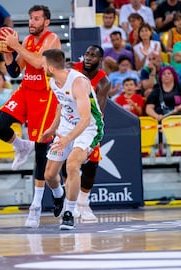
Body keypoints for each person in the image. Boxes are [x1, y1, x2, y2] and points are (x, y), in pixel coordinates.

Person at [0, 5, 61, 228]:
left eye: (37, 19)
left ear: (46, 22)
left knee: (41, 151)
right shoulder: (28, 41)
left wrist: (15, 45)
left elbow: (40, 63)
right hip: (25, 90)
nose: (32, 22)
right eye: (30, 18)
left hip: (45, 95)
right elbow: (14, 72)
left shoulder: (52, 38)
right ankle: (21, 146)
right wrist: (6, 51)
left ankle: (36, 207)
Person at [41, 48, 103, 230]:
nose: (41, 67)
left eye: (43, 64)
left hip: (89, 128)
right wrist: (52, 129)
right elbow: (61, 105)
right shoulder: (53, 82)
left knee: (72, 164)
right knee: (49, 175)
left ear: (51, 67)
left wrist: (68, 139)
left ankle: (69, 212)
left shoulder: (78, 83)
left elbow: (85, 119)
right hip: (66, 126)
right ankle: (59, 195)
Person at [71, 45, 111, 222]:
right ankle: (70, 205)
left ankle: (83, 203)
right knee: (68, 163)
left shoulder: (103, 82)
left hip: (89, 124)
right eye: (86, 54)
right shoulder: (72, 68)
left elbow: (98, 112)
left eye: (93, 56)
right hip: (69, 121)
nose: (88, 58)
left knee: (91, 165)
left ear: (100, 60)